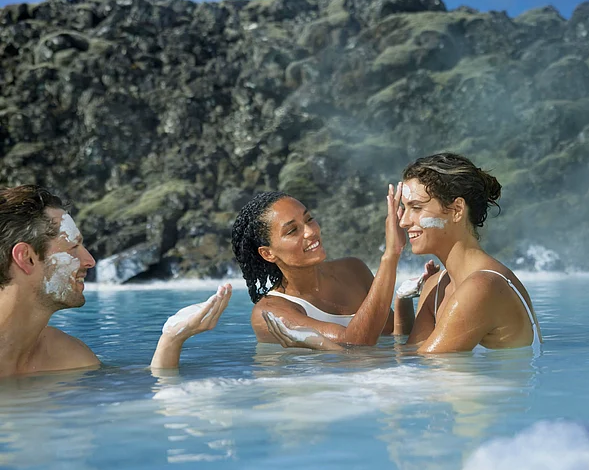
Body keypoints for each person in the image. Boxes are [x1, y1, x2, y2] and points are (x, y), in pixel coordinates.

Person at [263, 153, 542, 353]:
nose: (404, 221)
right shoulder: (436, 285)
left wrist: (320, 345)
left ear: (457, 210)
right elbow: (407, 356)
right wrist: (403, 301)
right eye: (403, 208)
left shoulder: (483, 286)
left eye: (416, 208)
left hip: (505, 429)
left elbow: (414, 375)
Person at [0, 185, 231, 378]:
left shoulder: (68, 356)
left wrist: (172, 339)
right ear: (27, 258)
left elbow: (134, 395)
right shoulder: (64, 358)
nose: (90, 261)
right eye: (73, 247)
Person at [231, 187, 433, 346]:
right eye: (292, 231)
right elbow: (355, 344)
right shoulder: (269, 313)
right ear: (268, 253)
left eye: (309, 219)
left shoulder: (353, 270)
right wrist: (391, 253)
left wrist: (403, 299)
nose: (311, 231)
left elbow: (394, 336)